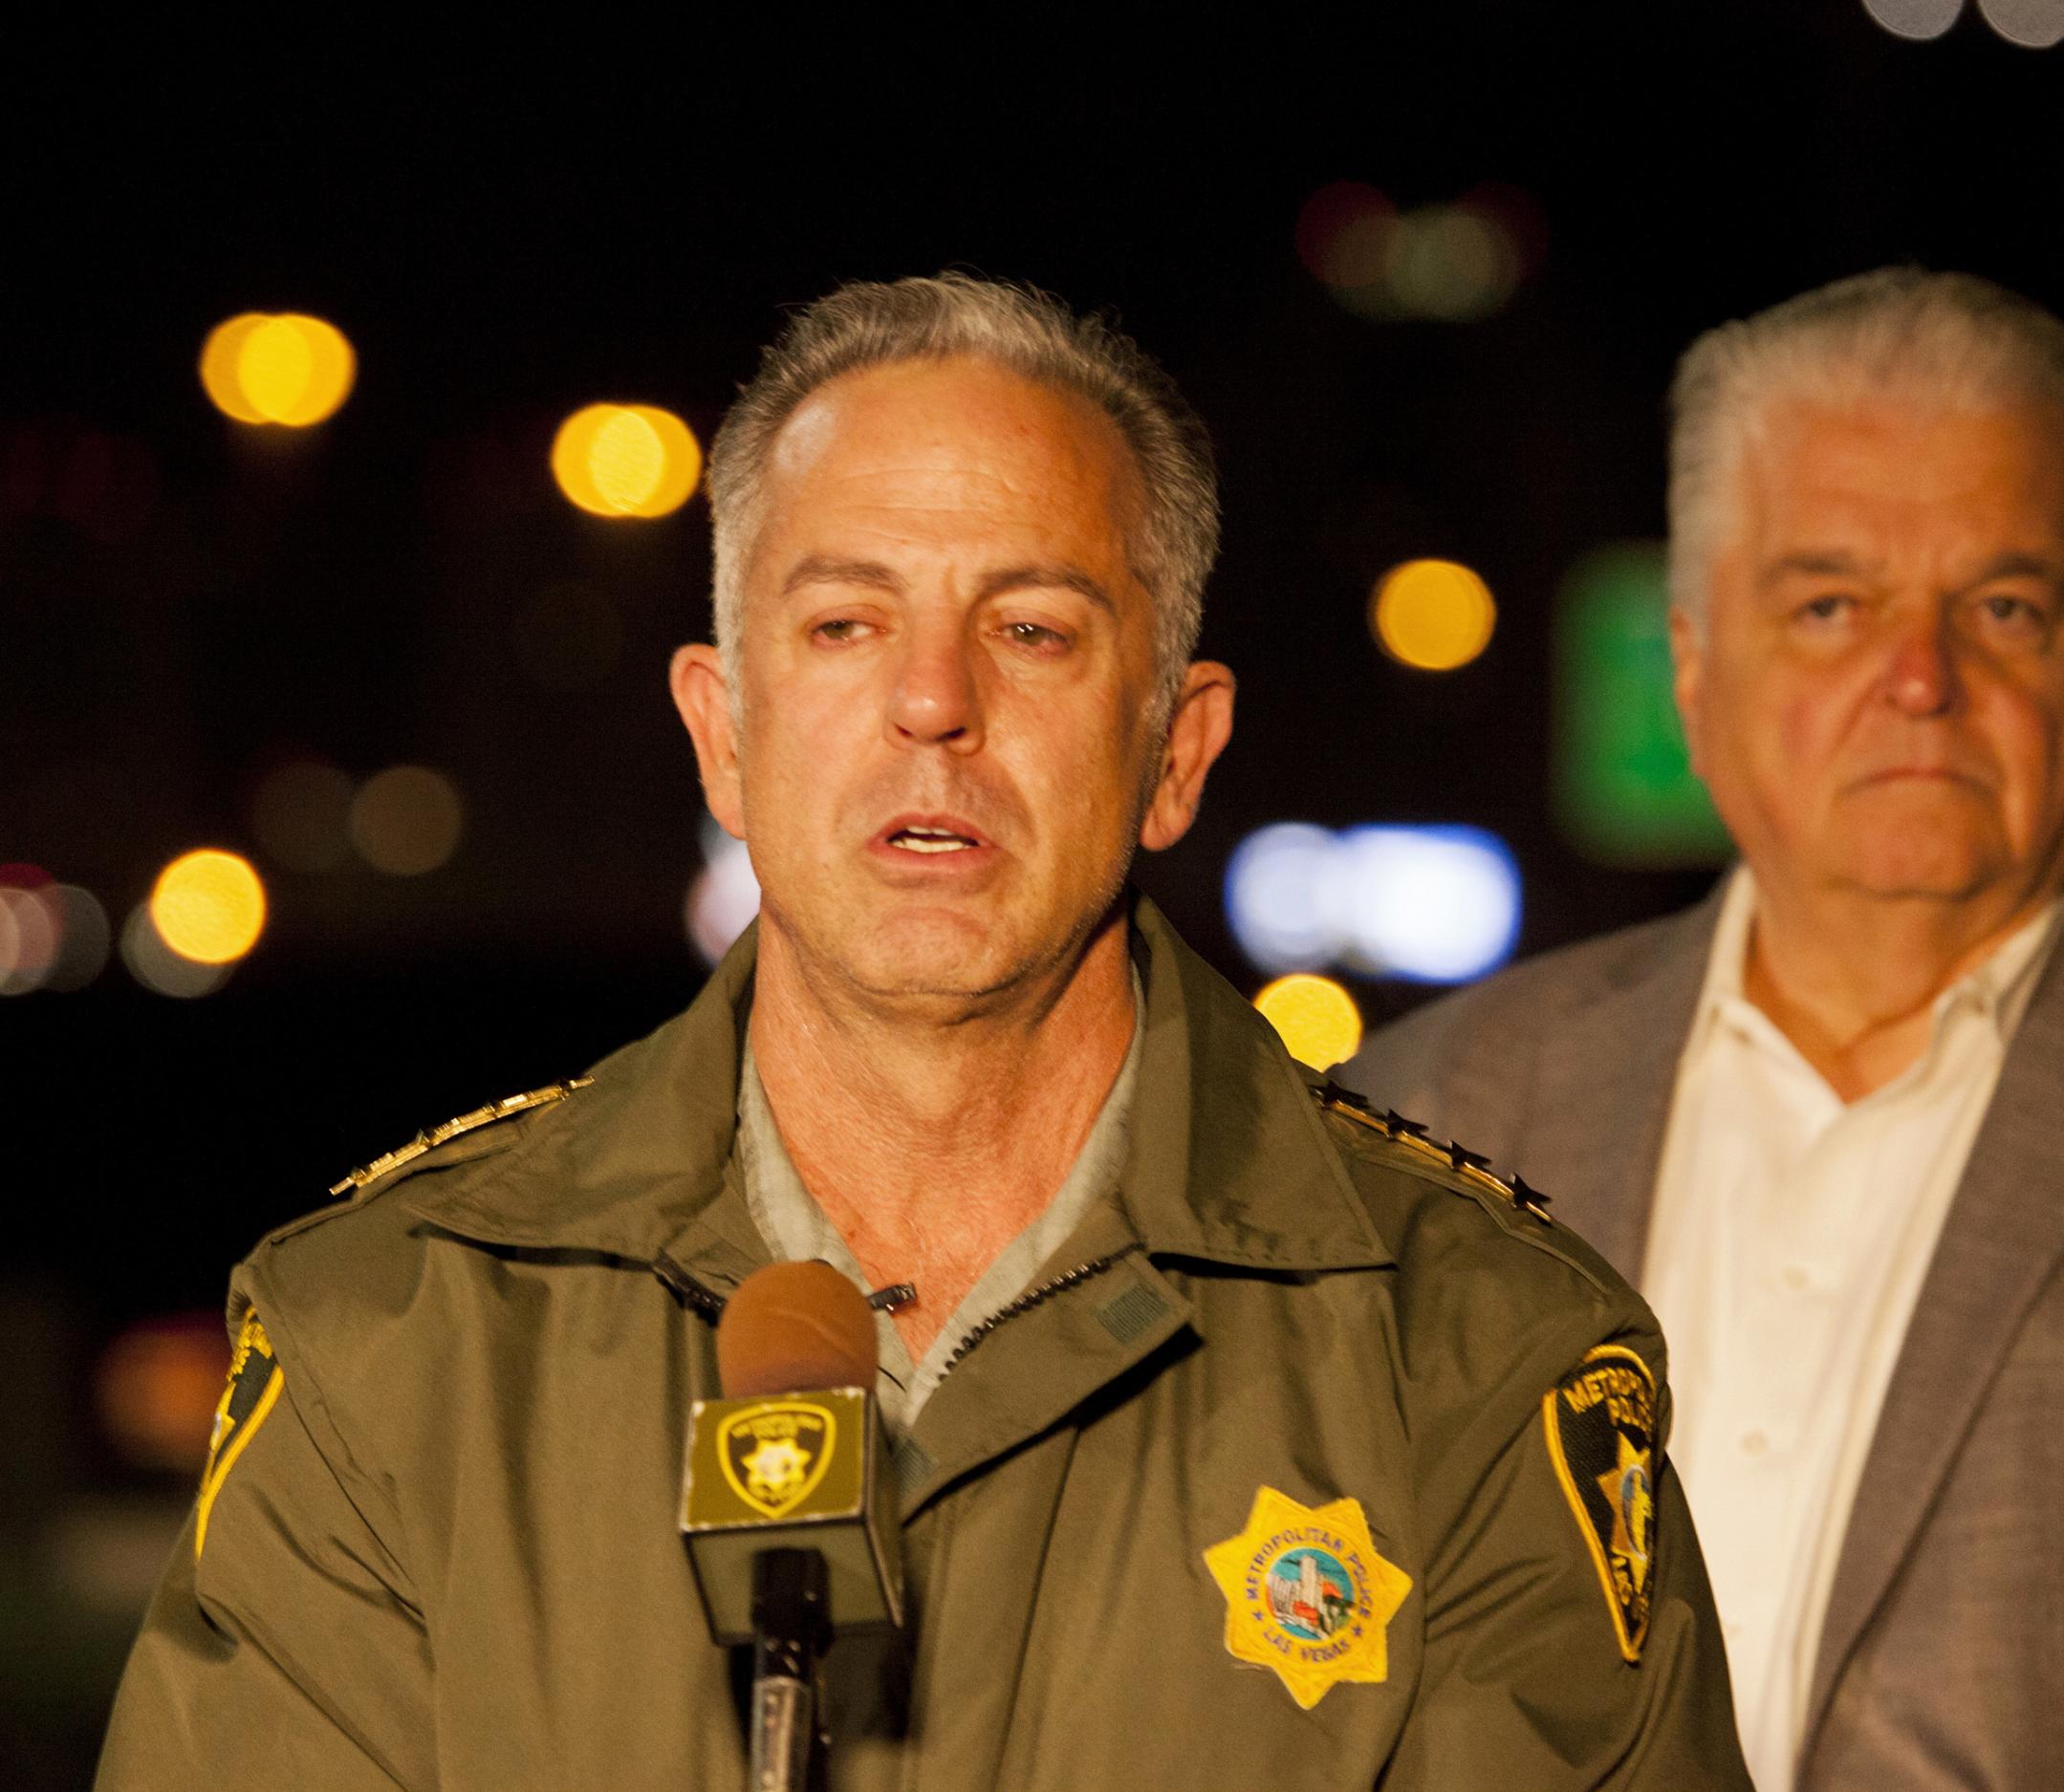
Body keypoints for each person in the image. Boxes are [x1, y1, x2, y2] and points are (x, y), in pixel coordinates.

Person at [98, 274, 1749, 1789]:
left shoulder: (1472, 1363)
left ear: (1178, 748)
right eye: (844, 625)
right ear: (721, 734)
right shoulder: (392, 1341)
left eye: (1031, 629)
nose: (932, 700)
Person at [1352, 268, 2064, 1791]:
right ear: (1696, 669)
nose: (1921, 678)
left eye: (2004, 605)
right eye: (1831, 603)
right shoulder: (1432, 1110)